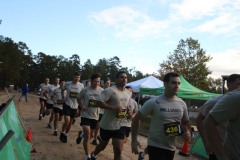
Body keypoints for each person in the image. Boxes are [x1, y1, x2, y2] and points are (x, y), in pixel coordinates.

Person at [131, 72, 192, 160]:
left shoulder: (182, 103)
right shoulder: (153, 102)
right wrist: (133, 140)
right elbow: (136, 118)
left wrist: (188, 132)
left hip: (171, 147)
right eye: (173, 83)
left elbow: (185, 122)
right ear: (165, 84)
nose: (177, 86)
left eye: (178, 83)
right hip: (155, 145)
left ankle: (142, 155)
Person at [196, 74, 240, 159]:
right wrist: (206, 142)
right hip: (218, 148)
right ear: (228, 85)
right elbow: (200, 120)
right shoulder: (214, 102)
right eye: (239, 84)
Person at [90, 71, 132, 160]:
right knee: (102, 146)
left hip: (120, 125)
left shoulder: (128, 92)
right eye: (121, 77)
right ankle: (93, 154)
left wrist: (128, 112)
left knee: (118, 150)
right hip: (107, 125)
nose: (124, 79)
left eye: (125, 77)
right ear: (116, 79)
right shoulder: (109, 90)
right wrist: (113, 108)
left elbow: (125, 105)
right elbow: (98, 103)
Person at [76, 73, 103, 160]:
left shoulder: (102, 91)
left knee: (90, 135)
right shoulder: (85, 90)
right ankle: (88, 156)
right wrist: (81, 106)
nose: (97, 83)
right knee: (88, 134)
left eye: (98, 81)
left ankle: (81, 134)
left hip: (95, 116)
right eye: (95, 81)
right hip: (85, 115)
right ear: (91, 81)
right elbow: (78, 98)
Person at [59, 71, 84, 143]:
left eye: (78, 77)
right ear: (73, 77)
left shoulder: (81, 85)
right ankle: (62, 132)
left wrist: (80, 107)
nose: (77, 78)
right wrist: (63, 97)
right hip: (67, 104)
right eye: (76, 77)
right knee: (67, 121)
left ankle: (66, 134)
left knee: (70, 122)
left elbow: (82, 96)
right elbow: (62, 90)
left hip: (75, 106)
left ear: (80, 78)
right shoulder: (67, 84)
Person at [91, 77, 111, 145]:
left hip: (106, 112)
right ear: (104, 83)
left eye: (109, 83)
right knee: (97, 125)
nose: (108, 84)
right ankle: (94, 138)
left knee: (101, 126)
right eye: (107, 83)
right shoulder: (101, 90)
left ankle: (96, 137)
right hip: (98, 111)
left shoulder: (111, 91)